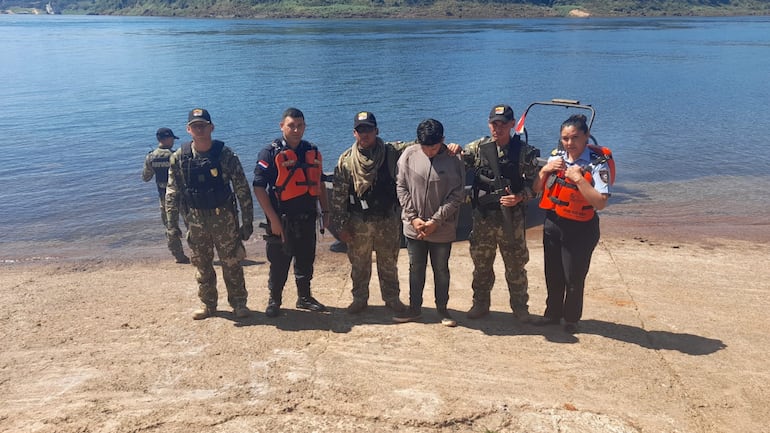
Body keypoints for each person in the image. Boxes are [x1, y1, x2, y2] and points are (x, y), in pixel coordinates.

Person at [446, 104, 540, 322]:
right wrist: (454, 150)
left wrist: (519, 197)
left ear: (511, 124)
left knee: (515, 265)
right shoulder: (479, 147)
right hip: (484, 219)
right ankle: (480, 304)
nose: (497, 128)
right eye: (493, 124)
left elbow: (535, 185)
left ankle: (520, 308)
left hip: (512, 219)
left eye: (502, 124)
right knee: (481, 265)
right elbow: (459, 159)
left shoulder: (523, 152)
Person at [166, 108, 254, 320]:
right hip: (195, 220)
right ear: (188, 129)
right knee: (202, 264)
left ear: (211, 127)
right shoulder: (180, 158)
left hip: (224, 218)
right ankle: (208, 305)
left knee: (232, 263)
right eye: (195, 126)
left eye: (203, 125)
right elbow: (173, 191)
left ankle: (239, 304)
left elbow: (242, 188)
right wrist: (171, 224)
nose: (200, 129)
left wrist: (247, 220)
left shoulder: (225, 155)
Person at [531, 114, 611, 334]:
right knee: (553, 274)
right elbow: (537, 188)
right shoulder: (556, 157)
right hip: (554, 222)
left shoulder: (598, 164)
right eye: (565, 138)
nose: (570, 143)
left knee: (573, 276)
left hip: (581, 227)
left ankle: (571, 319)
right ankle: (552, 314)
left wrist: (578, 179)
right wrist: (546, 170)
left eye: (575, 137)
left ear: (586, 137)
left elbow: (600, 202)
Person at [253, 108, 330, 318]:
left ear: (305, 126)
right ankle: (274, 300)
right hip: (282, 219)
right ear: (282, 126)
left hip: (307, 216)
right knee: (279, 263)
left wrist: (325, 211)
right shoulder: (270, 152)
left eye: (300, 125)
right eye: (291, 125)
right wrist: (273, 219)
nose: (296, 130)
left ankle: (304, 297)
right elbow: (259, 187)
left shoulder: (311, 150)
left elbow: (319, 182)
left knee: (306, 259)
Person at [330, 111, 409, 315]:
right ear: (354, 133)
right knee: (359, 264)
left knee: (389, 262)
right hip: (359, 221)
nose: (365, 134)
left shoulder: (392, 152)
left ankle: (392, 298)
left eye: (369, 130)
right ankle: (359, 298)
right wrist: (340, 227)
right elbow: (338, 198)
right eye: (360, 130)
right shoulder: (346, 161)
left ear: (377, 130)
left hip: (387, 219)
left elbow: (420, 146)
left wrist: (448, 147)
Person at [394, 119, 465, 326]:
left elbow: (457, 195)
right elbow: (401, 186)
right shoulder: (409, 154)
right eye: (425, 147)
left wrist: (435, 221)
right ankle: (414, 309)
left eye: (433, 148)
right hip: (414, 226)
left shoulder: (454, 159)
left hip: (441, 228)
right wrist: (413, 217)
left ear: (442, 141)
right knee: (415, 268)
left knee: (441, 269)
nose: (429, 152)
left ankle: (443, 310)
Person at [142, 127, 190, 264]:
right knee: (190, 225)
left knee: (170, 227)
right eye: (172, 139)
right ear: (167, 139)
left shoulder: (151, 157)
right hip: (180, 195)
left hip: (164, 197)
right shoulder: (175, 156)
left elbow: (146, 177)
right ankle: (196, 251)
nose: (173, 142)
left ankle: (179, 256)